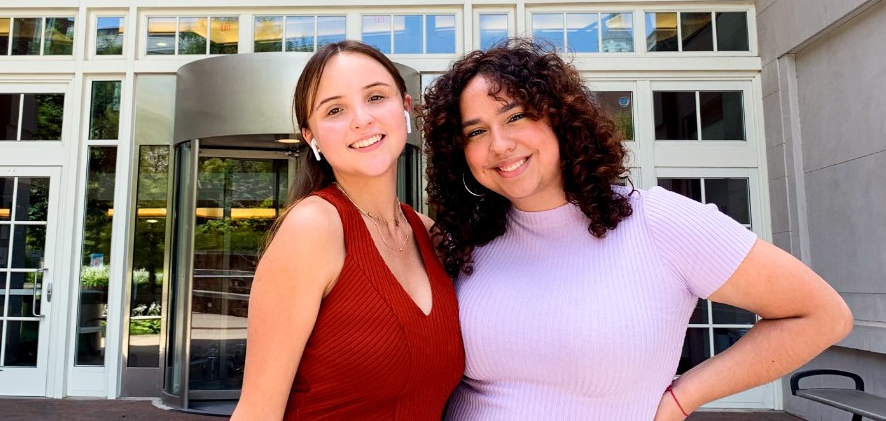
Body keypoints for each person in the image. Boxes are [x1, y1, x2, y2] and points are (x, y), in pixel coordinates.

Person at [421, 39, 852, 421]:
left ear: (559, 119)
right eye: (476, 131)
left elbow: (821, 315)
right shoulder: (464, 241)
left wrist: (685, 397)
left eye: (514, 117)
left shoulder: (657, 221)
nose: (499, 144)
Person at [232, 40, 464, 420]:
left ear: (405, 109)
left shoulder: (430, 236)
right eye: (335, 109)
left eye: (375, 97)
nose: (361, 119)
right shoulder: (313, 228)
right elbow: (257, 411)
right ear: (312, 137)